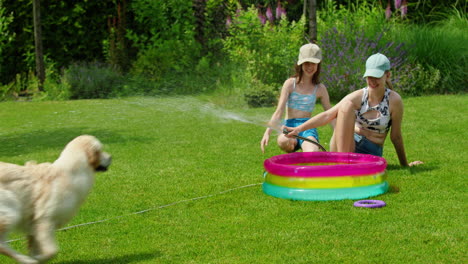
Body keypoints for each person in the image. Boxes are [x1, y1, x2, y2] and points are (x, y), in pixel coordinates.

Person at [284, 53, 423, 167]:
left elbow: (396, 136)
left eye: (377, 77)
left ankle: (342, 166)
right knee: (345, 106)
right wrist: (298, 129)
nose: (372, 81)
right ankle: (343, 165)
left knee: (346, 105)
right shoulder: (358, 96)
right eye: (369, 77)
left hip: (370, 151)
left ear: (387, 76)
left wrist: (405, 165)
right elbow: (328, 115)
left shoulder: (394, 101)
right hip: (346, 145)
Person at [261, 43, 335, 153]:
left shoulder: (320, 88)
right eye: (306, 63)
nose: (310, 67)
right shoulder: (290, 84)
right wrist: (267, 132)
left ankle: (308, 145)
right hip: (289, 125)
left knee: (312, 152)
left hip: (307, 127)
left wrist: (338, 133)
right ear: (300, 64)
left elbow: (330, 114)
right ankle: (295, 143)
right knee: (283, 141)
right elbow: (279, 110)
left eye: (313, 64)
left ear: (318, 65)